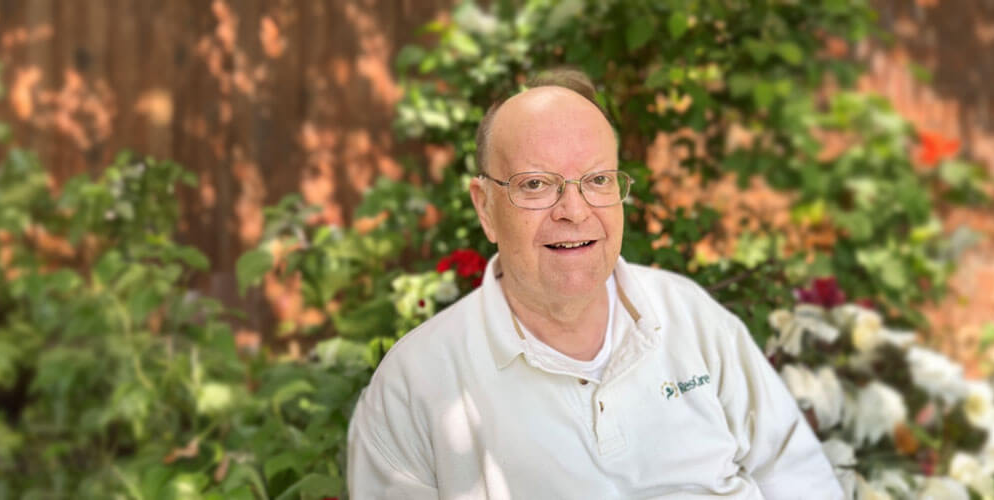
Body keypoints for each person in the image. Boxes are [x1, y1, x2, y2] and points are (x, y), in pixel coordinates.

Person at [347, 69, 842, 499]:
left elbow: (797, 475)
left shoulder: (688, 315)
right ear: (485, 207)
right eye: (536, 184)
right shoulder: (415, 384)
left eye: (598, 180)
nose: (575, 211)